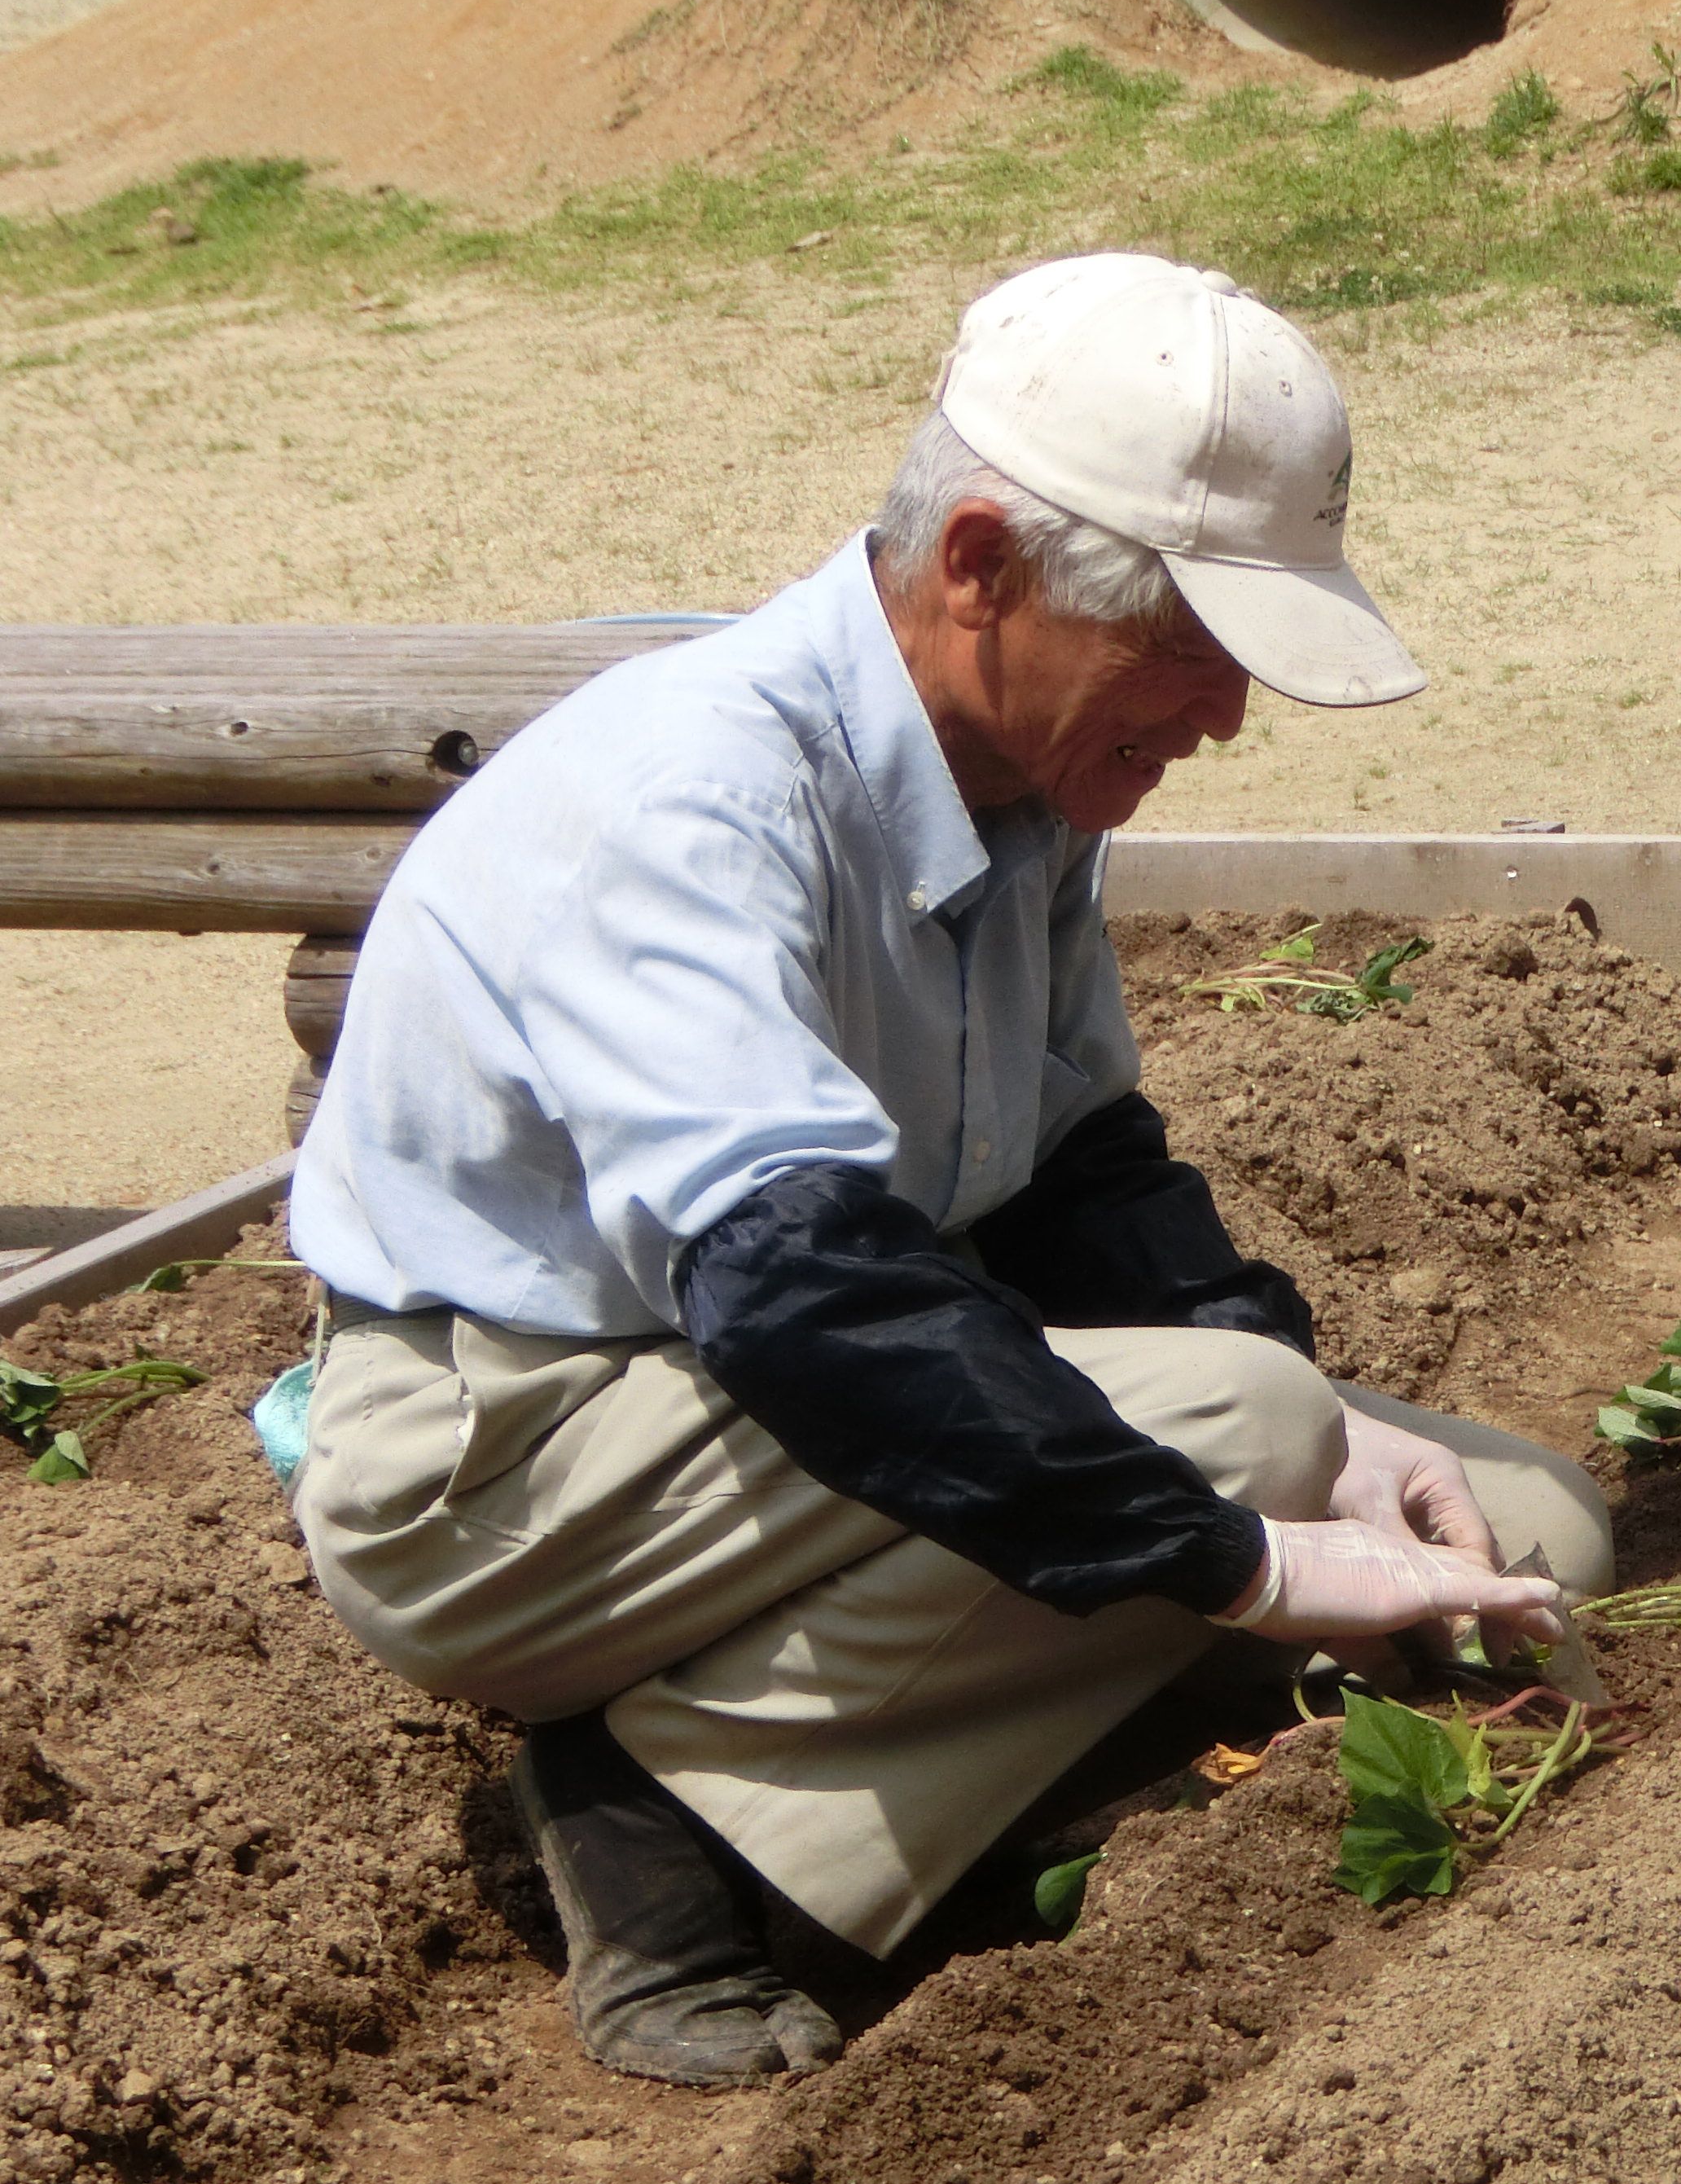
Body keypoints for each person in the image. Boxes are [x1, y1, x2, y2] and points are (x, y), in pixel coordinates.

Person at [287, 255, 1609, 2088]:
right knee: (1234, 1450)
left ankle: (943, 1777)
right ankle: (657, 1801)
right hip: (509, 1463)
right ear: (980, 567)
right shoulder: (695, 803)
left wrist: (1340, 1440)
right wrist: (1244, 1553)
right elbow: (803, 1288)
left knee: (1528, 1531)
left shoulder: (1021, 785)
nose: (1225, 719)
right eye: (1192, 648)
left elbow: (1082, 1177)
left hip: (768, 1398)